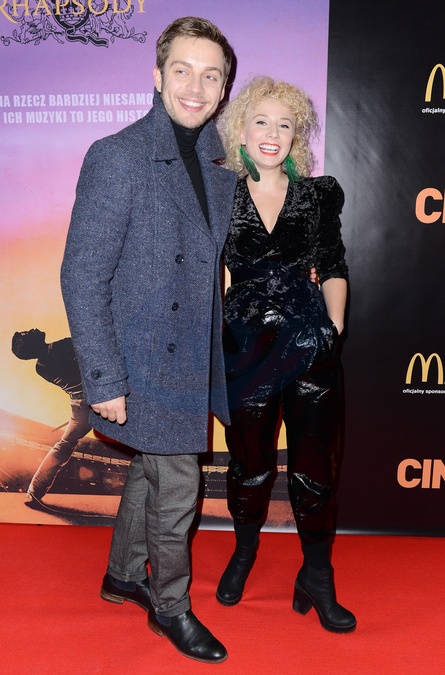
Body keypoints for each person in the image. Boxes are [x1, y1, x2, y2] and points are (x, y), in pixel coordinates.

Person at [60, 17, 236, 664]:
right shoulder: (118, 155)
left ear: (223, 89)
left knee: (150, 466)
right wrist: (104, 378)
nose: (196, 86)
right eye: (182, 70)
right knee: (179, 483)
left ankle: (121, 574)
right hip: (141, 359)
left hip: (190, 354)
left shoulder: (221, 164)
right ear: (157, 76)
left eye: (211, 75)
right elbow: (82, 274)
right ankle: (171, 605)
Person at [215, 76, 356, 634]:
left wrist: (333, 327)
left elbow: (334, 263)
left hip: (308, 346)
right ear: (241, 130)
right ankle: (244, 551)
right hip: (244, 349)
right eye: (261, 121)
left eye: (285, 124)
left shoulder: (317, 195)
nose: (272, 133)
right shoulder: (219, 192)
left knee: (315, 464)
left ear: (296, 135)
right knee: (249, 464)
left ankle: (317, 575)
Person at [11, 329, 92, 507]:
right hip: (98, 399)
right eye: (27, 333)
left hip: (79, 406)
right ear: (33, 343)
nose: (32, 329)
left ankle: (34, 492)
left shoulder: (40, 368)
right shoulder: (62, 346)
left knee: (64, 446)